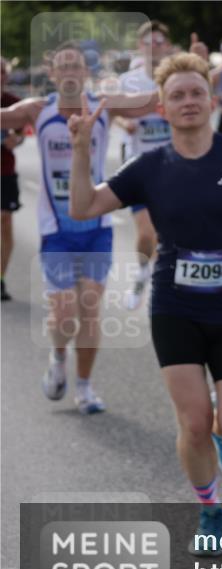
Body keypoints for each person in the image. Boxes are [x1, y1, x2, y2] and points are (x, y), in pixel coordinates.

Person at [68, 52, 222, 554]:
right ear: (161, 107)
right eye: (177, 95)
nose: (187, 102)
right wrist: (80, 149)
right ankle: (210, 509)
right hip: (174, 309)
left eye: (196, 93)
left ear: (211, 99)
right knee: (192, 423)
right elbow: (84, 206)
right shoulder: (148, 165)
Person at [0, 41, 159, 414]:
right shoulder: (37, 110)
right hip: (55, 227)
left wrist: (169, 68)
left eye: (76, 65)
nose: (70, 71)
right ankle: (58, 359)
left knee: (89, 308)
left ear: (85, 72)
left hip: (97, 224)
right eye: (63, 66)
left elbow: (149, 103)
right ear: (52, 73)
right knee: (64, 314)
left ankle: (85, 388)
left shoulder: (104, 105)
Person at [116, 20, 174, 310]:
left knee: (170, 235)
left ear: (168, 46)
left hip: (176, 167)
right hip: (140, 165)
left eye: (160, 42)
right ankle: (141, 274)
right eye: (149, 42)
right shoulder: (129, 80)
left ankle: (162, 289)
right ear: (141, 47)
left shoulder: (176, 78)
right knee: (147, 233)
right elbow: (113, 109)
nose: (155, 47)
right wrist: (124, 121)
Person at [1, 57, 24, 302]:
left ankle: (0, 278)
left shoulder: (14, 104)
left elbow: (22, 133)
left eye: (1, 72)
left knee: (4, 221)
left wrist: (15, 140)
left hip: (5, 172)